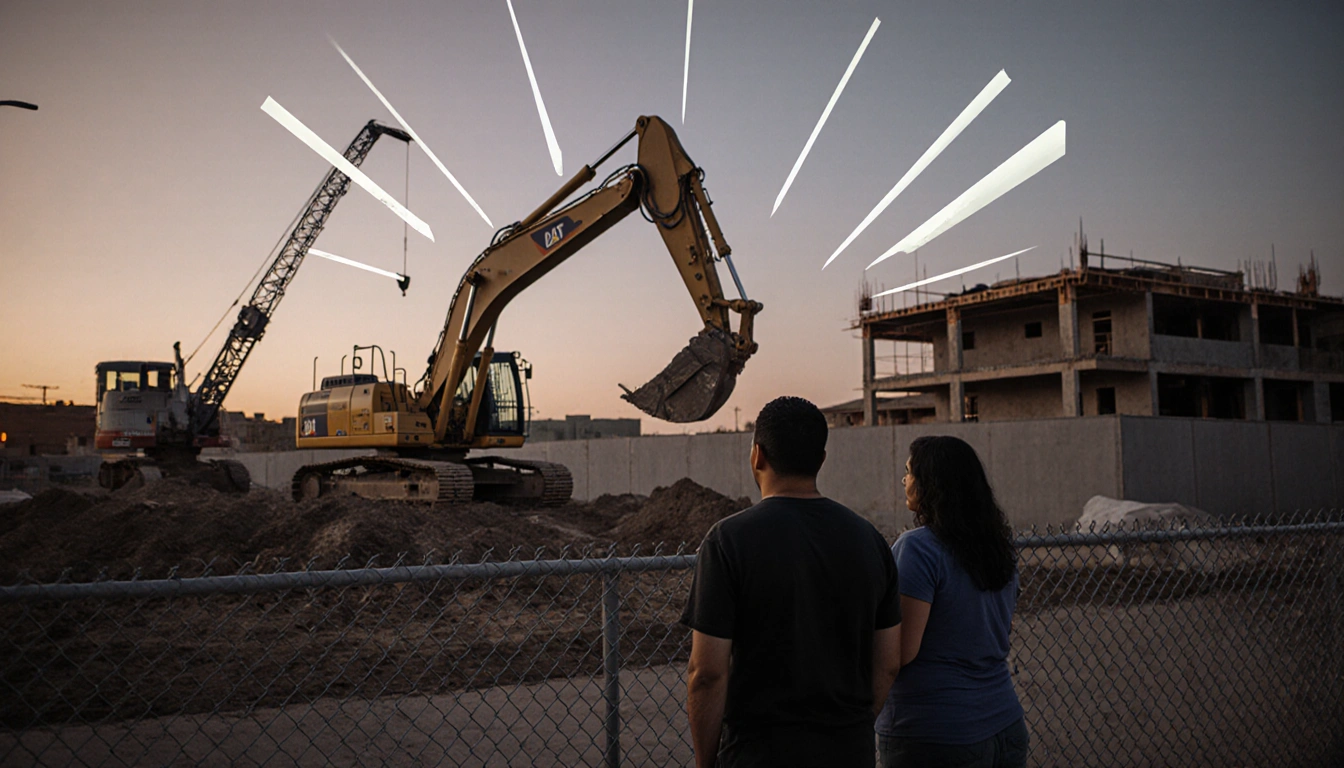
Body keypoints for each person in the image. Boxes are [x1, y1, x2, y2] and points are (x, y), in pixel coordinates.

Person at [681, 396, 903, 768]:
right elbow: (889, 663)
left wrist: (706, 762)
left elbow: (707, 672)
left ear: (757, 456)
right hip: (849, 751)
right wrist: (852, 726)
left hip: (758, 753)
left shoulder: (728, 541)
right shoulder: (870, 540)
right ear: (821, 460)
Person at [875, 435, 1027, 768]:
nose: (904, 480)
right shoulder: (997, 548)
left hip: (935, 732)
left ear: (931, 484)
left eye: (910, 472)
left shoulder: (918, 549)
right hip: (1005, 724)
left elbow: (900, 651)